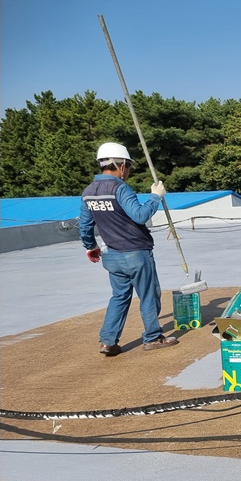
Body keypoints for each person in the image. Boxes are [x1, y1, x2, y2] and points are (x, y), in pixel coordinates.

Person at [80, 142, 179, 356]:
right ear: (122, 165)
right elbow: (140, 215)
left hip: (111, 255)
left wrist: (90, 247)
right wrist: (155, 196)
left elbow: (85, 226)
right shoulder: (120, 188)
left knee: (119, 297)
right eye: (129, 167)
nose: (128, 172)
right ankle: (153, 337)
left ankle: (108, 342)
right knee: (148, 295)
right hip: (136, 254)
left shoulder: (88, 192)